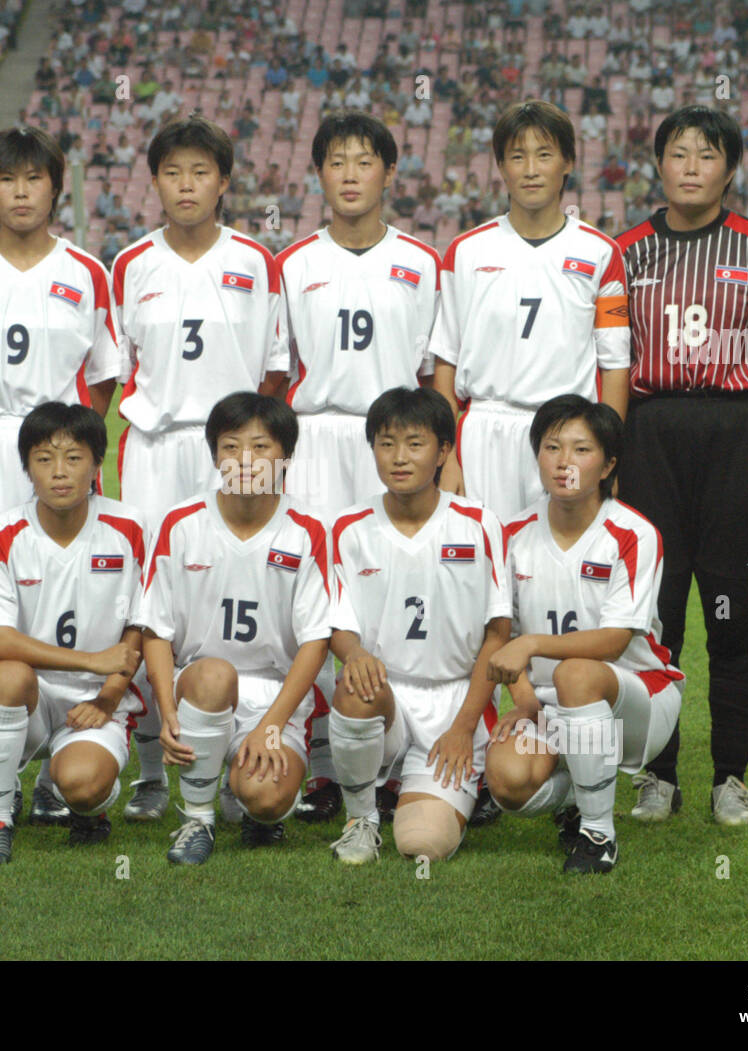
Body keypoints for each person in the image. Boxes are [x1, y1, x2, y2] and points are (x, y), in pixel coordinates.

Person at [428, 99, 631, 825]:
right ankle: (482, 757)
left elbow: (614, 367)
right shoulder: (467, 250)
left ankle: (576, 751)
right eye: (517, 155)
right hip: (486, 431)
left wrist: (605, 454)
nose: (531, 168)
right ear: (499, 166)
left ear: (568, 163)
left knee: (559, 584)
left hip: (566, 438)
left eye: (545, 154)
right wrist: (448, 454)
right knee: (484, 594)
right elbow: (445, 364)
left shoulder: (600, 254)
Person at [615, 106, 748, 826]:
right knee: (653, 617)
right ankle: (657, 775)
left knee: (734, 612)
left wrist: (737, 402)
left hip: (735, 442)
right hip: (649, 437)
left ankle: (732, 775)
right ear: (658, 164)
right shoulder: (628, 251)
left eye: (707, 154)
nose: (691, 166)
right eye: (678, 153)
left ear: (730, 168)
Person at [110, 116, 288, 821]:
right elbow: (112, 375)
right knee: (157, 605)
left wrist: (245, 445)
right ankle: (154, 767)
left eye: (201, 173)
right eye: (173, 173)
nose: (187, 186)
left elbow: (275, 370)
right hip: (156, 447)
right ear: (154, 182)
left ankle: (251, 752)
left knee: (242, 587)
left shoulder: (254, 261)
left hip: (237, 451)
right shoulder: (130, 264)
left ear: (224, 181)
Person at [275, 110, 441, 824]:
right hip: (316, 440)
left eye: (364, 161)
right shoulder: (292, 264)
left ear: (390, 173)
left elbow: (437, 375)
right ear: (318, 175)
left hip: (398, 445)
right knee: (313, 600)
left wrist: (447, 457)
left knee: (401, 587)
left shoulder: (422, 262)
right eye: (336, 162)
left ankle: (409, 755)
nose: (349, 174)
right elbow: (272, 376)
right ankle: (322, 762)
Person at [485, 395, 683, 873]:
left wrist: (531, 645)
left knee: (577, 674)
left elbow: (613, 642)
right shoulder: (511, 533)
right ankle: (576, 797)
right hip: (554, 709)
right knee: (508, 782)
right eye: (552, 448)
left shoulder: (633, 533)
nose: (564, 462)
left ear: (609, 463)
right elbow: (501, 635)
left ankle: (598, 835)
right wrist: (524, 695)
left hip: (638, 701)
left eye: (581, 450)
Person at [135, 393, 331, 865]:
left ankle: (245, 799)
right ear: (213, 455)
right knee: (214, 672)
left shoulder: (307, 530)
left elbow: (316, 642)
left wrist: (271, 726)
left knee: (266, 800)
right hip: (198, 687)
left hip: (274, 694)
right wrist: (167, 713)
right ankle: (197, 819)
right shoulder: (179, 524)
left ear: (286, 457)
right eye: (230, 447)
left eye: (261, 447)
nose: (245, 460)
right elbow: (155, 632)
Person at [327, 388, 511, 864]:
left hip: (453, 701)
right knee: (352, 685)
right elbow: (337, 625)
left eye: (415, 443)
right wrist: (354, 653)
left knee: (421, 844)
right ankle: (362, 818)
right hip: (384, 694)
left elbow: (497, 634)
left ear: (443, 452)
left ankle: (426, 790)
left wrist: (463, 728)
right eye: (386, 444)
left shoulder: (479, 523)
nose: (399, 458)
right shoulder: (348, 527)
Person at [0, 403, 147, 861]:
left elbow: (139, 628)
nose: (60, 472)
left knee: (83, 786)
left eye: (74, 457)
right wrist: (91, 660)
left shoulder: (130, 528)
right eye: (44, 459)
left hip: (97, 696)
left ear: (97, 464)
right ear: (27, 468)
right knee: (5, 674)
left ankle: (89, 805)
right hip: (28, 695)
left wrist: (107, 694)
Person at [0, 126, 119, 538]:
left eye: (34, 179)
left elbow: (104, 374)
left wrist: (70, 435)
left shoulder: (88, 274)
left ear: (54, 189)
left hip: (61, 452)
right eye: (6, 179)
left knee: (67, 574)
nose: (21, 192)